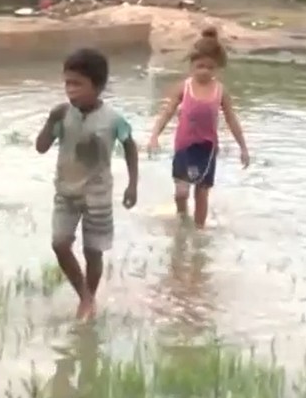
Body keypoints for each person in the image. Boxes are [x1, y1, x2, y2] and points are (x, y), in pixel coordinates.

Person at [35, 48, 138, 321]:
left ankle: (87, 299)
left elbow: (130, 147)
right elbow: (41, 147)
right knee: (59, 243)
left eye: (78, 84)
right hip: (66, 192)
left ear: (99, 86)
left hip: (98, 195)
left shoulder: (113, 119)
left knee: (93, 251)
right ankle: (85, 296)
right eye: (67, 83)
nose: (71, 90)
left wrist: (132, 185)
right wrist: (51, 120)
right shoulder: (63, 115)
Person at [146, 26, 250, 228]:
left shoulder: (220, 91)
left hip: (207, 149)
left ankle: (199, 231)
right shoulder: (184, 87)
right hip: (184, 146)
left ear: (217, 68)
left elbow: (232, 120)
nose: (205, 71)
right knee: (181, 192)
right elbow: (167, 112)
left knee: (202, 192)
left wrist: (243, 148)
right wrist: (154, 136)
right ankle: (182, 218)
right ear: (192, 66)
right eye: (200, 66)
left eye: (210, 67)